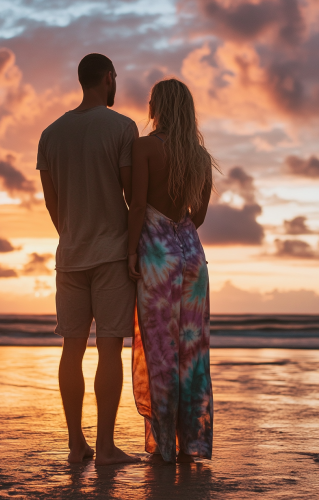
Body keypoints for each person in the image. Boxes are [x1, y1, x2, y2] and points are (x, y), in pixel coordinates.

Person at [37, 53, 140, 465]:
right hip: (113, 253)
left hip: (71, 253)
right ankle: (108, 447)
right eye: (116, 78)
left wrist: (71, 235)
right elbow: (132, 196)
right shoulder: (122, 127)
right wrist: (133, 249)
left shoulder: (50, 133)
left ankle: (76, 443)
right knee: (109, 350)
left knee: (71, 349)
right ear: (108, 78)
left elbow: (51, 202)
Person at [128, 78, 217, 463]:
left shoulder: (145, 147)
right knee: (191, 353)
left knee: (160, 350)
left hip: (157, 256)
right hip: (192, 257)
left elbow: (137, 205)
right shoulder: (199, 156)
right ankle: (190, 444)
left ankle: (164, 447)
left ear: (157, 107)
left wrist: (131, 250)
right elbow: (197, 216)